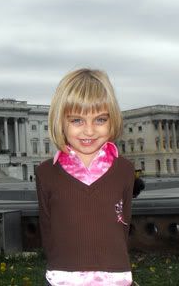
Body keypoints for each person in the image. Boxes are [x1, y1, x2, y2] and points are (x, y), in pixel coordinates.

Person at [36, 68, 135, 286]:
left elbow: (123, 225)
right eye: (77, 120)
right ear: (61, 121)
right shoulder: (46, 173)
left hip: (115, 277)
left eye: (100, 120)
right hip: (63, 277)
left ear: (113, 120)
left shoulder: (125, 170)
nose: (89, 131)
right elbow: (47, 227)